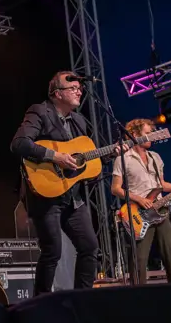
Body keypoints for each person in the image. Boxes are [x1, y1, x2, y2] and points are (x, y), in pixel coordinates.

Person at [10, 71, 107, 295]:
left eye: (79, 88)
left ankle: (82, 299)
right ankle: (41, 302)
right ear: (57, 93)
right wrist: (55, 156)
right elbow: (19, 143)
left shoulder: (79, 121)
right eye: (72, 88)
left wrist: (111, 153)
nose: (79, 91)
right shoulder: (40, 111)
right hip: (45, 193)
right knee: (52, 251)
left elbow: (86, 158)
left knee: (89, 247)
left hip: (73, 197)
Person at [111, 117, 171, 284]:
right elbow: (115, 188)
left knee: (170, 255)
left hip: (160, 210)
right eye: (148, 133)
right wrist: (139, 199)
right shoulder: (123, 159)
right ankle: (139, 294)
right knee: (139, 259)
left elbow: (161, 185)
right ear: (135, 135)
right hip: (139, 213)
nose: (152, 137)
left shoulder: (155, 157)